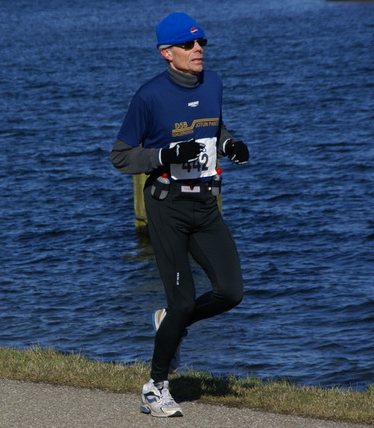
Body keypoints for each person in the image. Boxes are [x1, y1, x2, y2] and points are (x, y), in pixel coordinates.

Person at [111, 12, 250, 418]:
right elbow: (120, 157)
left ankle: (172, 323)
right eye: (188, 45)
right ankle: (155, 387)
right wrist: (165, 155)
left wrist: (230, 145)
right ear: (167, 53)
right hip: (167, 206)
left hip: (206, 204)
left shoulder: (214, 83)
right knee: (184, 298)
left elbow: (215, 128)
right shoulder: (149, 96)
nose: (198, 49)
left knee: (231, 291)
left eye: (201, 42)